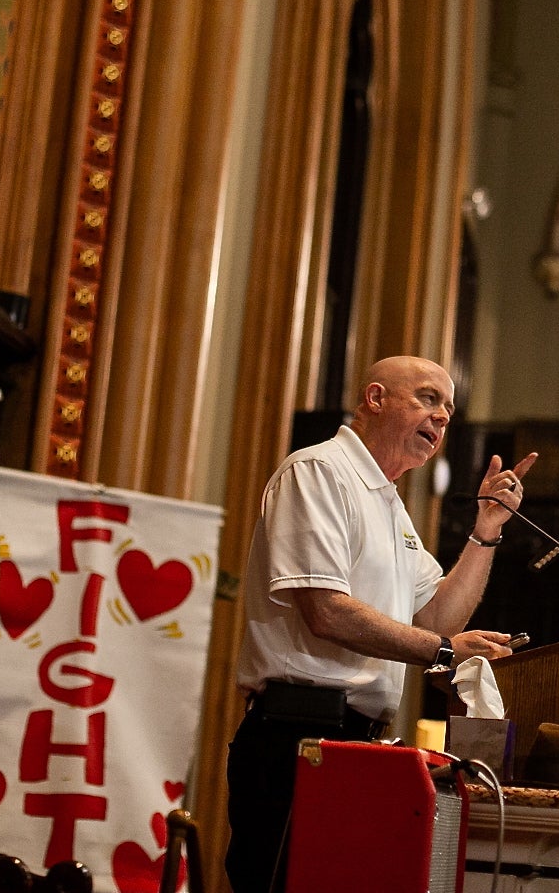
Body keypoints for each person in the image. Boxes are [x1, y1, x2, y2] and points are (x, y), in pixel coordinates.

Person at [225, 355, 538, 892]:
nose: (442, 418)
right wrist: (443, 652)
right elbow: (325, 610)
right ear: (374, 399)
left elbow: (437, 618)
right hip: (297, 738)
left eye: (449, 409)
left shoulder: (391, 506)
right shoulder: (320, 472)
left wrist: (487, 528)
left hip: (360, 745)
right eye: (428, 398)